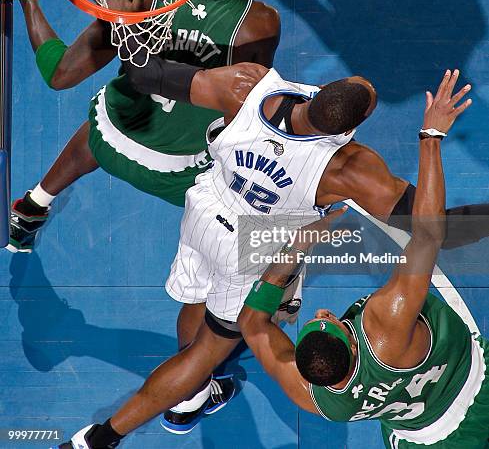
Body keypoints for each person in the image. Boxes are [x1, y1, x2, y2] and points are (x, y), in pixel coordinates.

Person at [53, 62, 476, 448]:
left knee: (197, 299)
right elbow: (436, 229)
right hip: (249, 244)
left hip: (204, 207)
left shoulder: (249, 87)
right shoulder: (349, 168)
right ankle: (105, 436)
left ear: (321, 90)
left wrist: (130, 33)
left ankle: (195, 386)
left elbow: (153, 77)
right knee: (206, 352)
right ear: (353, 127)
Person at [238, 70, 489, 448]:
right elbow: (428, 234)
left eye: (315, 320)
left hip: (423, 438)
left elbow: (252, 327)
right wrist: (431, 138)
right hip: (475, 385)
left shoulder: (316, 398)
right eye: (332, 321)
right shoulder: (385, 322)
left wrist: (296, 248)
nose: (322, 313)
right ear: (354, 345)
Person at [10, 0, 280, 254]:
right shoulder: (260, 23)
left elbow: (59, 74)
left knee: (109, 116)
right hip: (179, 175)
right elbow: (247, 106)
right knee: (259, 205)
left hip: (111, 143)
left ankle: (32, 206)